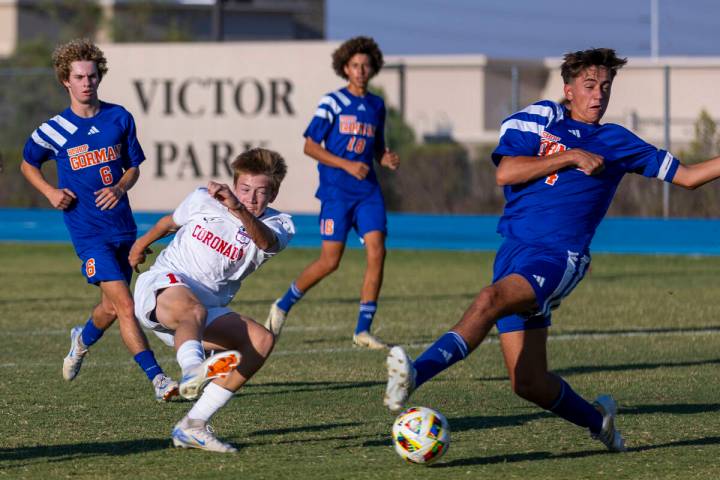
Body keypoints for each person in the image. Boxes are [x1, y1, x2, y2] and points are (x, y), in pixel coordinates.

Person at [384, 47, 720, 452]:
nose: (599, 96)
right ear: (568, 89)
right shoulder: (542, 119)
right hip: (513, 250)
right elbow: (507, 171)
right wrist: (570, 156)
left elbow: (688, 177)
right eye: (590, 86)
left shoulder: (616, 140)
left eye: (606, 87)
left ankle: (415, 375)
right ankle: (600, 422)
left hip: (560, 256)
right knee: (527, 382)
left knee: (489, 300)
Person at [20, 38, 177, 401]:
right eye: (79, 76)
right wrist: (50, 192)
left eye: (92, 76)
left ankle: (82, 340)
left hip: (123, 227)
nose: (87, 82)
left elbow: (134, 166)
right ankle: (158, 379)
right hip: (88, 233)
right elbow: (28, 163)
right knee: (126, 305)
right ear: (66, 80)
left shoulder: (119, 117)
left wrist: (121, 186)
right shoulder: (53, 130)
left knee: (109, 307)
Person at [130, 148, 295, 452]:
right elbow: (169, 223)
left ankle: (193, 425)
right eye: (245, 189)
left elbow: (265, 242)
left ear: (273, 194)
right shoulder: (204, 199)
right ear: (235, 184)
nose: (252, 198)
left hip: (202, 315)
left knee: (261, 341)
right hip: (162, 288)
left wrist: (238, 210)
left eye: (261, 192)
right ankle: (194, 368)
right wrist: (139, 245)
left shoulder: (279, 225)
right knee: (192, 308)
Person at [266, 36, 400, 349]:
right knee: (330, 261)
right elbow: (310, 146)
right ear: (344, 68)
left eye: (366, 65)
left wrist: (386, 158)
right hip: (336, 192)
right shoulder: (332, 102)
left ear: (373, 67)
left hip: (368, 192)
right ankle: (282, 305)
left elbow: (377, 148)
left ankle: (363, 330)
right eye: (355, 65)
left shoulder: (377, 105)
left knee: (378, 251)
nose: (361, 70)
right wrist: (347, 165)